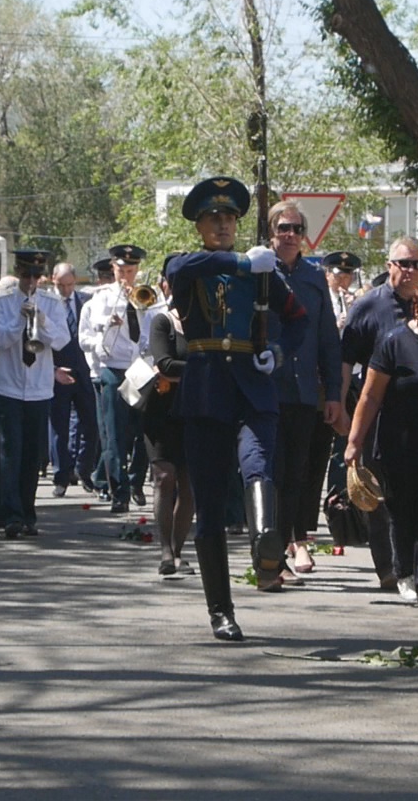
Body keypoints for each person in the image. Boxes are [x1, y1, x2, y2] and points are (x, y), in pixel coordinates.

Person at [165, 176, 308, 640]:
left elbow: (298, 320)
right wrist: (242, 262)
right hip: (207, 389)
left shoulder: (264, 270)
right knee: (207, 505)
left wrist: (279, 352)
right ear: (200, 226)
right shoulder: (190, 264)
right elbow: (181, 268)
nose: (223, 224)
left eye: (230, 218)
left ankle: (267, 549)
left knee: (258, 467)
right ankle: (221, 610)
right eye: (214, 218)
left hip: (252, 387)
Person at [345, 277, 418, 607]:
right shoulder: (393, 342)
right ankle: (404, 574)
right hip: (400, 444)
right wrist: (355, 441)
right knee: (404, 512)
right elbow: (369, 397)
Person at [341, 236, 418, 589]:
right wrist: (337, 405)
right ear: (389, 265)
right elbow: (346, 358)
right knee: (378, 493)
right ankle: (388, 569)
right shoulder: (369, 306)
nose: (411, 271)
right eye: (404, 263)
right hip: (377, 410)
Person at [265, 201, 344, 578]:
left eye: (297, 228)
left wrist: (333, 394)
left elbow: (328, 339)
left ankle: (289, 544)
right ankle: (270, 550)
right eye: (283, 228)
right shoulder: (260, 271)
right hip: (265, 389)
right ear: (271, 232)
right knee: (270, 471)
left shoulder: (314, 278)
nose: (290, 235)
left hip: (302, 392)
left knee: (297, 473)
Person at [0, 247, 71, 537]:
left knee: (32, 454)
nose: (31, 281)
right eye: (27, 275)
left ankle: (28, 514)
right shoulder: (3, 302)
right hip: (8, 386)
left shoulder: (51, 302)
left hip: (39, 388)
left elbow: (61, 341)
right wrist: (19, 321)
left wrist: (42, 321)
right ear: (19, 274)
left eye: (37, 275)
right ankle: (11, 515)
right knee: (11, 451)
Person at [81, 244, 151, 512]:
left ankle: (136, 481)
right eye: (121, 270)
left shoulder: (147, 297)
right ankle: (118, 492)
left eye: (131, 271)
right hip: (111, 367)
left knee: (142, 434)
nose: (126, 276)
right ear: (113, 268)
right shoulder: (97, 301)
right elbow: (83, 339)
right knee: (114, 434)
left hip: (139, 369)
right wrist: (106, 332)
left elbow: (152, 332)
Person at [141, 259, 195, 578]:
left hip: (194, 410)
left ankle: (178, 551)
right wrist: (202, 370)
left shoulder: (206, 323)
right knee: (165, 478)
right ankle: (164, 552)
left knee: (189, 485)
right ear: (165, 285)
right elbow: (164, 363)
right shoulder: (161, 321)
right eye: (175, 282)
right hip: (161, 412)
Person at [48, 261, 101, 498]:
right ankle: (61, 476)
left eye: (70, 285)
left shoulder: (85, 302)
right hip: (58, 371)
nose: (66, 290)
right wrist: (53, 368)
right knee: (59, 426)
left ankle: (84, 471)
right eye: (62, 285)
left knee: (91, 423)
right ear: (53, 280)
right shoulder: (47, 304)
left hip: (84, 371)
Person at [324, 251, 361, 333]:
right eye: (338, 277)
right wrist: (336, 325)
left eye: (346, 277)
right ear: (327, 275)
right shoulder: (321, 298)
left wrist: (355, 307)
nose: (341, 281)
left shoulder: (356, 300)